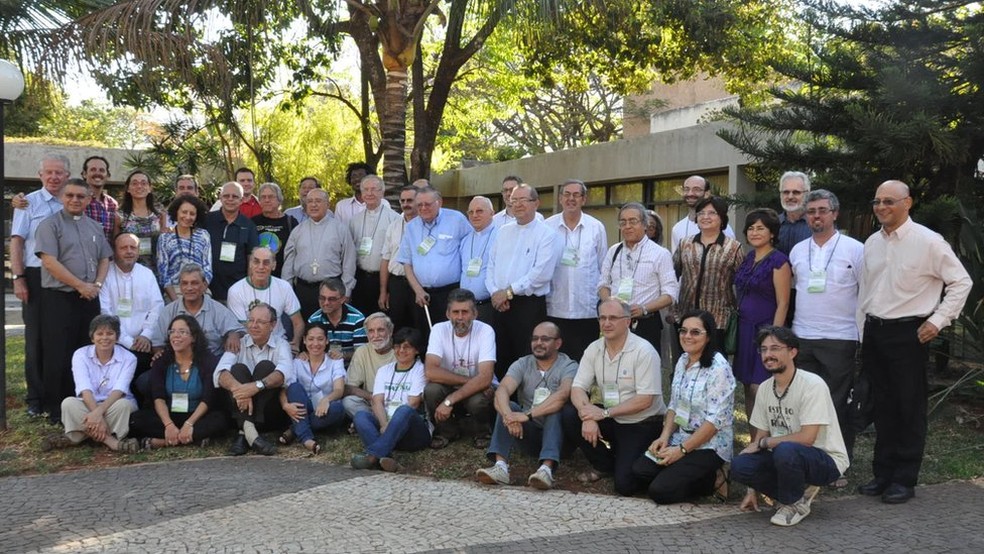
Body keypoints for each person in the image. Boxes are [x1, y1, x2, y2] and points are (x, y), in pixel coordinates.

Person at [856, 180, 971, 504]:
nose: (881, 207)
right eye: (877, 201)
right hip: (876, 332)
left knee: (908, 407)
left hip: (908, 334)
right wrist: (863, 331)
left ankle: (904, 479)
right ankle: (883, 474)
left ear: (908, 203)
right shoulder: (872, 243)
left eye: (889, 201)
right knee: (882, 405)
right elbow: (867, 291)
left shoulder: (928, 242)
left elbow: (961, 282)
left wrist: (937, 321)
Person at [731, 326, 848, 527]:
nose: (768, 355)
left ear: (792, 352)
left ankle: (792, 503)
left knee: (786, 450)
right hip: (785, 455)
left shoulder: (812, 384)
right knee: (740, 465)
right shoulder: (765, 388)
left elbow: (808, 438)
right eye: (764, 349)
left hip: (824, 459)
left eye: (775, 348)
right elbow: (758, 439)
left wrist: (766, 442)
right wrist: (752, 489)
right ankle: (794, 495)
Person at [789, 189, 864, 476]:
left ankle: (838, 466)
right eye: (811, 211)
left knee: (836, 404)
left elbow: (865, 293)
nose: (816, 216)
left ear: (835, 213)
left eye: (822, 210)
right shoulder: (797, 250)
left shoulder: (855, 249)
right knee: (805, 402)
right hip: (803, 337)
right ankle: (806, 460)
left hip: (840, 338)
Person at [562, 298, 666, 496]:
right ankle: (605, 464)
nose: (606, 323)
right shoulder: (594, 348)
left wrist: (603, 413)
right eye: (602, 318)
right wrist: (588, 415)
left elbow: (645, 400)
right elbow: (577, 388)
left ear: (627, 321)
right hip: (610, 416)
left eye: (613, 318)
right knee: (569, 415)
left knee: (625, 486)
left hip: (641, 422)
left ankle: (632, 462)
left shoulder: (644, 351)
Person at [631, 310, 735, 504]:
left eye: (695, 332)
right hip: (680, 436)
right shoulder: (682, 360)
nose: (687, 336)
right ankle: (683, 473)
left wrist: (681, 451)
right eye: (683, 331)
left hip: (710, 444)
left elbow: (714, 423)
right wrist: (664, 437)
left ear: (709, 336)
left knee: (660, 492)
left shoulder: (719, 368)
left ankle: (715, 479)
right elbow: (674, 405)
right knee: (639, 472)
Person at [36, 178, 113, 423]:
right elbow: (49, 261)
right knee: (58, 352)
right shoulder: (50, 225)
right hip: (59, 298)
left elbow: (104, 259)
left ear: (88, 199)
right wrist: (80, 285)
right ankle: (56, 408)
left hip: (89, 298)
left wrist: (97, 285)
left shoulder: (95, 226)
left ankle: (82, 403)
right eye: (70, 195)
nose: (75, 200)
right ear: (62, 197)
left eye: (81, 196)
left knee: (86, 351)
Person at [476, 322, 577, 490]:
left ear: (558, 343)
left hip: (560, 439)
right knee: (507, 404)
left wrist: (527, 415)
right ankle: (500, 467)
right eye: (535, 338)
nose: (538, 343)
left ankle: (546, 470)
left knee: (557, 408)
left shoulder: (569, 365)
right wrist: (509, 415)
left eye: (545, 339)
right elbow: (502, 390)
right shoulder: (522, 363)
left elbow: (563, 395)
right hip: (528, 435)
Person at [10, 154, 70, 417]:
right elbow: (17, 242)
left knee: (59, 338)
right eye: (49, 172)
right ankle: (35, 398)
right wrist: (18, 277)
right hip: (34, 276)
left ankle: (56, 397)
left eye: (59, 173)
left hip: (64, 277)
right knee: (34, 340)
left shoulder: (71, 203)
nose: (54, 177)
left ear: (67, 175)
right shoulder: (27, 203)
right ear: (40, 175)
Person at [486, 185, 560, 378]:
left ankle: (525, 404)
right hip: (499, 305)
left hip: (527, 306)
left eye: (523, 200)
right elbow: (490, 266)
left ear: (536, 203)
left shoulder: (547, 234)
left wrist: (508, 292)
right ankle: (502, 402)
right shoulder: (503, 231)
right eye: (513, 200)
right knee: (501, 355)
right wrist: (495, 292)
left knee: (527, 356)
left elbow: (541, 273)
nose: (517, 204)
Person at [41, 315, 139, 453]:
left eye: (110, 333)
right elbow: (84, 389)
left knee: (124, 406)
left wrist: (98, 414)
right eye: (99, 334)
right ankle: (109, 440)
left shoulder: (129, 358)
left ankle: (81, 435)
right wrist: (97, 414)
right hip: (88, 404)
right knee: (68, 403)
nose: (104, 338)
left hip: (114, 404)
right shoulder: (80, 355)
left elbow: (120, 390)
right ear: (92, 337)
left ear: (117, 337)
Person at [128, 315, 228, 449]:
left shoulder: (207, 360)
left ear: (193, 337)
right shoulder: (161, 360)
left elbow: (208, 399)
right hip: (169, 416)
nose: (176, 336)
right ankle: (190, 438)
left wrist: (189, 424)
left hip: (197, 416)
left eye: (182, 332)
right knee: (136, 420)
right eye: (172, 332)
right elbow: (158, 397)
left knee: (220, 420)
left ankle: (161, 442)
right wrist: (168, 425)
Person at [733, 208, 791, 425]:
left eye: (760, 228)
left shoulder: (779, 261)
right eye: (751, 228)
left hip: (765, 330)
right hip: (745, 329)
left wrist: (773, 339)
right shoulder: (748, 258)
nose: (754, 232)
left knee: (761, 386)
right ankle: (754, 439)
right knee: (748, 386)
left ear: (772, 233)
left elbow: (783, 302)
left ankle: (768, 438)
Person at [599, 202, 677, 356]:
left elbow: (670, 294)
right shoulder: (613, 251)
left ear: (645, 224)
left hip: (646, 322)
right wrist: (611, 305)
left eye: (633, 221)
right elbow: (603, 284)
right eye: (623, 222)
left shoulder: (660, 254)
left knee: (645, 373)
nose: (627, 226)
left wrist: (643, 308)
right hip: (615, 322)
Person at [215, 303, 294, 456]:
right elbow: (220, 372)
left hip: (269, 413)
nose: (254, 326)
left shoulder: (281, 344)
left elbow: (285, 373)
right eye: (251, 321)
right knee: (237, 370)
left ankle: (243, 433)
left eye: (260, 322)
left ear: (273, 325)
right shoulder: (240, 342)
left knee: (266, 367)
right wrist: (239, 389)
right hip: (239, 406)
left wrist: (256, 386)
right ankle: (251, 435)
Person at [395, 186, 471, 341]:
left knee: (453, 336)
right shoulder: (411, 227)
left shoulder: (457, 220)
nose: (423, 208)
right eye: (419, 205)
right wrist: (418, 290)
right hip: (422, 295)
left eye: (428, 204)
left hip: (450, 293)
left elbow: (470, 249)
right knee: (426, 338)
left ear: (439, 202)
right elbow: (407, 263)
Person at [350, 327, 432, 472]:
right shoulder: (384, 370)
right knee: (361, 416)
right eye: (397, 346)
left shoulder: (421, 370)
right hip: (387, 428)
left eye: (407, 347)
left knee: (404, 409)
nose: (401, 350)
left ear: (417, 350)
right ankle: (386, 458)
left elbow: (413, 403)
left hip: (412, 432)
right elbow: (376, 401)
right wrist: (383, 424)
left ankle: (372, 457)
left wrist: (389, 426)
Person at [423, 288, 496, 449]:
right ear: (448, 314)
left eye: (465, 312)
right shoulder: (438, 330)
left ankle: (482, 433)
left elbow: (486, 377)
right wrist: (472, 381)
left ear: (475, 314)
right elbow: (430, 371)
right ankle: (447, 432)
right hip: (462, 383)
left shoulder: (485, 331)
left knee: (478, 401)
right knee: (431, 390)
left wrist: (449, 401)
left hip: (477, 390)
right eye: (456, 312)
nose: (460, 317)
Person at [545, 179, 608, 361]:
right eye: (567, 194)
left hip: (586, 309)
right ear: (560, 198)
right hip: (555, 307)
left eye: (576, 195)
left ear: (584, 199)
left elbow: (603, 267)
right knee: (556, 361)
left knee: (585, 362)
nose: (571, 199)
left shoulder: (596, 227)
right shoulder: (547, 227)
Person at [672, 196, 743, 348]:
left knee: (713, 364)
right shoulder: (685, 244)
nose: (705, 217)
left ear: (722, 218)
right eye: (701, 213)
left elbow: (742, 283)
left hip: (718, 320)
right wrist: (673, 309)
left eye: (712, 213)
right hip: (686, 317)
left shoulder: (733, 247)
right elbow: (671, 275)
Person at [100, 233, 165, 385]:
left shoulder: (146, 274)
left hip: (144, 344)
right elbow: (105, 312)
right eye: (123, 248)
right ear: (114, 251)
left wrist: (146, 335)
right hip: (114, 343)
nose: (129, 251)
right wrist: (128, 342)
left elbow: (157, 306)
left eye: (133, 247)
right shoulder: (105, 274)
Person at [282, 188, 356, 319]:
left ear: (327, 205)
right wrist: (286, 290)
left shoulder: (340, 229)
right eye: (310, 201)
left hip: (332, 291)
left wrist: (346, 290)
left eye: (318, 201)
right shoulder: (298, 231)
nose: (313, 205)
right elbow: (288, 263)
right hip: (303, 290)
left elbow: (349, 262)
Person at [280, 324, 347, 454]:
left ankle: (295, 429)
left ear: (327, 341)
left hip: (325, 410)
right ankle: (307, 439)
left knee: (337, 409)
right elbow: (286, 387)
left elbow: (339, 390)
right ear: (304, 340)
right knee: (294, 387)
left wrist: (326, 400)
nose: (315, 343)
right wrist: (285, 405)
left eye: (320, 339)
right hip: (303, 406)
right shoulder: (297, 362)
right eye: (311, 339)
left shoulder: (335, 362)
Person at [150, 263, 244, 357]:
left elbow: (239, 330)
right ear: (180, 287)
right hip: (177, 363)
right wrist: (160, 356)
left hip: (212, 364)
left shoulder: (218, 310)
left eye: (194, 283)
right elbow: (157, 344)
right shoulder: (168, 311)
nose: (189, 288)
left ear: (204, 285)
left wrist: (234, 334)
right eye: (185, 283)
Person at [226, 246, 304, 354]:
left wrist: (295, 343)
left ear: (274, 265)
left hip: (279, 344)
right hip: (249, 347)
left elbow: (298, 322)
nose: (261, 267)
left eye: (266, 263)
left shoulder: (284, 287)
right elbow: (244, 329)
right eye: (256, 262)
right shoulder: (236, 290)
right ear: (250, 264)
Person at [349, 174, 398, 316]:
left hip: (383, 279)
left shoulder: (393, 218)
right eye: (365, 190)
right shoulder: (354, 220)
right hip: (360, 277)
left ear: (382, 192)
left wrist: (386, 290)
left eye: (374, 189)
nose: (369, 193)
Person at [205, 182, 260, 302]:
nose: (230, 199)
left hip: (237, 292)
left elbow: (252, 257)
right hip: (207, 291)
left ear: (241, 200)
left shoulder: (248, 225)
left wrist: (249, 288)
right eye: (226, 196)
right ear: (220, 198)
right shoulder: (207, 220)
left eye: (235, 196)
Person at [158, 194, 212, 301]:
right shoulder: (165, 238)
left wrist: (199, 292)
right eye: (184, 212)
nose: (187, 217)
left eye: (192, 214)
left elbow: (208, 268)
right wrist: (176, 301)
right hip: (175, 290)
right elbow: (163, 274)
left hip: (200, 289)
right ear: (176, 212)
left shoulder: (203, 235)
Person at [379, 185, 419, 331]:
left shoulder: (426, 226)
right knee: (396, 325)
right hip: (397, 284)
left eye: (410, 200)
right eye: (402, 201)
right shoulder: (393, 226)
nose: (405, 204)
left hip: (418, 284)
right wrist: (384, 291)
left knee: (418, 324)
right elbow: (385, 259)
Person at [342, 312, 396, 419]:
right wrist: (373, 397)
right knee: (348, 402)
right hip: (370, 401)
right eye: (371, 331)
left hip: (395, 401)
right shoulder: (362, 351)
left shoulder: (400, 351)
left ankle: (368, 421)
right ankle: (374, 419)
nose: (376, 335)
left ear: (390, 332)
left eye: (380, 330)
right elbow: (350, 387)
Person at [306, 277, 368, 366]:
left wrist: (343, 355)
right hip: (323, 366)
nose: (326, 303)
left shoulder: (357, 319)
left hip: (351, 367)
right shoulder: (314, 319)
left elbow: (361, 352)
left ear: (343, 299)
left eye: (331, 299)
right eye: (322, 298)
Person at [117, 170, 167, 279]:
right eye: (134, 183)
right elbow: (115, 246)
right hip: (129, 271)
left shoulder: (160, 214)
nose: (139, 186)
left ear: (150, 188)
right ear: (128, 189)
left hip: (156, 271)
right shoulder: (119, 216)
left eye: (143, 183)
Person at [670, 175, 736, 253]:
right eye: (686, 189)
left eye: (696, 189)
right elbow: (676, 262)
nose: (690, 193)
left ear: (707, 193)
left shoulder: (721, 227)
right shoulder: (677, 228)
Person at [458, 196, 498, 323]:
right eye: (471, 212)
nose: (474, 215)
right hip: (466, 307)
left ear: (492, 213)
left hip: (489, 306)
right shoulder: (465, 239)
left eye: (479, 211)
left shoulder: (501, 236)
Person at [251, 182, 298, 278]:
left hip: (283, 276)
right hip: (258, 275)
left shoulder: (290, 222)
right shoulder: (252, 222)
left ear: (279, 200)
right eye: (263, 197)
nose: (267, 200)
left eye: (271, 197)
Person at [777, 171, 812, 256]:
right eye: (786, 192)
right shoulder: (773, 223)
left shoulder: (816, 224)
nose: (790, 197)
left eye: (796, 192)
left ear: (807, 194)